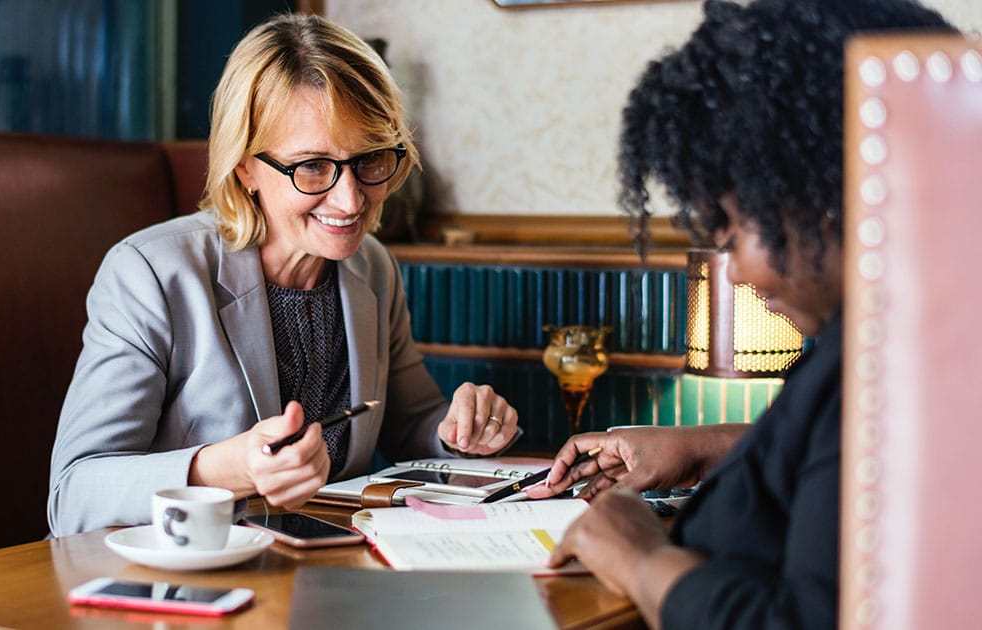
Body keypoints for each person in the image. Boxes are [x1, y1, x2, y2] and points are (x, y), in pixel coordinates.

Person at [525, 1, 956, 628]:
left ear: (826, 190)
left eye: (733, 232)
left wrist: (641, 558)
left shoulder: (895, 370)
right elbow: (839, 464)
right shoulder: (891, 336)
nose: (742, 272)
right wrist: (703, 447)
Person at [48, 13, 521, 537]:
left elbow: (412, 423)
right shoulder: (151, 274)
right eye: (313, 166)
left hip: (325, 579)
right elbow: (74, 495)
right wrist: (230, 470)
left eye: (370, 159)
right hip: (179, 586)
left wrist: (461, 430)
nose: (350, 200)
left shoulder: (373, 267)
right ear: (246, 166)